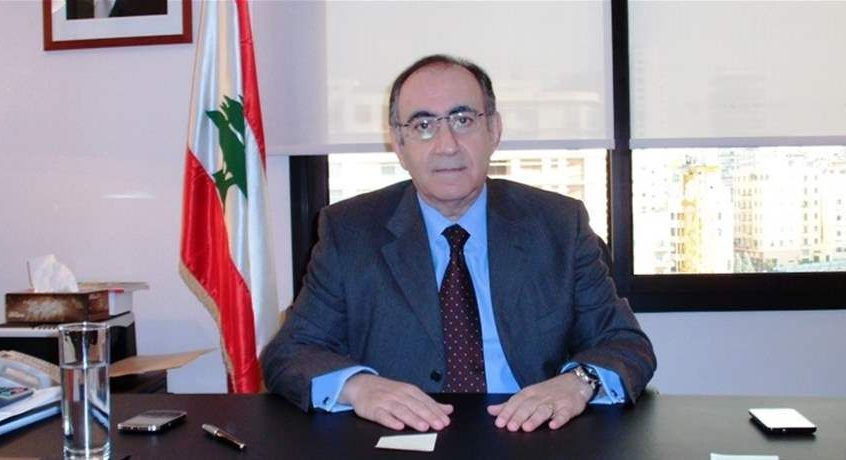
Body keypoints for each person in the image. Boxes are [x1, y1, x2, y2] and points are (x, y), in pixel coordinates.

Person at [261, 54, 656, 433]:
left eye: (463, 120)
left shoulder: (558, 225)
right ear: (398, 144)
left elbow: (625, 344)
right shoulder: (350, 232)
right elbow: (290, 353)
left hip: (532, 435)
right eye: (423, 125)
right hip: (401, 439)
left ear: (494, 131)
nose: (447, 145)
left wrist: (578, 382)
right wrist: (358, 387)